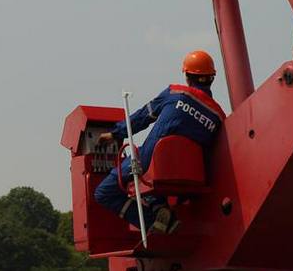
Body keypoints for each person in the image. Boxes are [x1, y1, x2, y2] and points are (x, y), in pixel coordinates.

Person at [93, 50, 226, 235]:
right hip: (190, 179)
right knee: (159, 179)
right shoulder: (218, 117)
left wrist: (115, 134)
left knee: (104, 193)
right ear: (212, 78)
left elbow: (142, 118)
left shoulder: (175, 93)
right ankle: (159, 208)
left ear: (187, 76)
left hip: (149, 164)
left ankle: (154, 221)